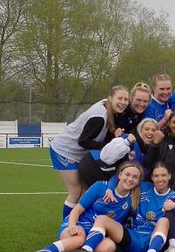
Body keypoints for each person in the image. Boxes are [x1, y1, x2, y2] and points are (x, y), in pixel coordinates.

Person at [13, 161, 143, 252]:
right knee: (78, 239)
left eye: (135, 177)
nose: (130, 179)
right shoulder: (100, 187)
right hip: (79, 223)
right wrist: (72, 225)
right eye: (127, 174)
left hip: (95, 235)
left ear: (138, 181)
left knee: (109, 247)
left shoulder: (132, 200)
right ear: (120, 175)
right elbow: (76, 210)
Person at [61, 162, 175, 252]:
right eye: (156, 176)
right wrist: (109, 188)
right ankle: (85, 251)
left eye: (163, 175)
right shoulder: (144, 187)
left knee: (163, 221)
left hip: (152, 240)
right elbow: (119, 177)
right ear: (151, 178)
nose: (160, 179)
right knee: (103, 219)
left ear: (169, 176)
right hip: (131, 237)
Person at [50, 85, 129, 218]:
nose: (123, 102)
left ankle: (80, 222)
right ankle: (66, 226)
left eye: (126, 99)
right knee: (75, 191)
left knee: (85, 191)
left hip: (75, 152)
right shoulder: (99, 117)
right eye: (119, 98)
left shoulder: (105, 105)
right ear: (110, 98)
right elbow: (84, 141)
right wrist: (108, 146)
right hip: (64, 150)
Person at [78, 118, 158, 188]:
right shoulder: (129, 138)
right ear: (140, 130)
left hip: (107, 172)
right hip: (94, 165)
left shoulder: (150, 150)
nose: (150, 132)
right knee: (98, 198)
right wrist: (127, 142)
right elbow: (108, 155)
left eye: (153, 130)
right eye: (146, 129)